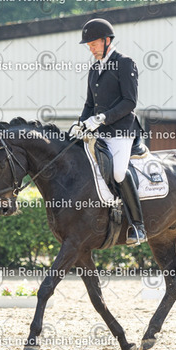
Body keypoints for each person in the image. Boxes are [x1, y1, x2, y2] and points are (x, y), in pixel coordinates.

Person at [69, 18, 147, 246]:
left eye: (93, 44)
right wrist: (81, 123)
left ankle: (138, 226)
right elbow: (89, 104)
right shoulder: (95, 69)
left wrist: (102, 118)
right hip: (98, 132)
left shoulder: (125, 63)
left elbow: (129, 102)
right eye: (89, 45)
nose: (91, 49)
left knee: (119, 173)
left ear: (106, 40)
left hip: (121, 131)